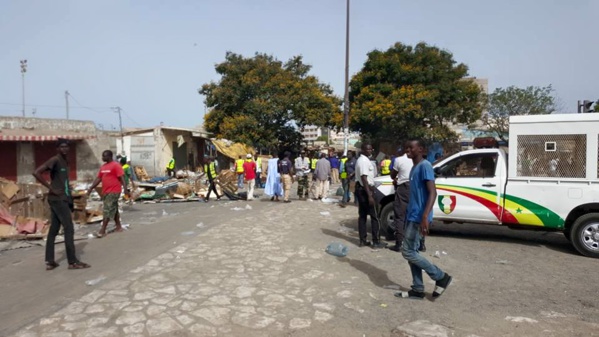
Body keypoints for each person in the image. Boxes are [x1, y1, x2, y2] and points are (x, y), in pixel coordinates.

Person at [397, 139, 451, 300]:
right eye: (406, 147)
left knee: (407, 251)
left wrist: (425, 216)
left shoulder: (425, 166)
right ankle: (418, 288)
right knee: (411, 252)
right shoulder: (414, 167)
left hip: (420, 217)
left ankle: (440, 276)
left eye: (411, 148)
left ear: (420, 149)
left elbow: (432, 193)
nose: (407, 150)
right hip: (412, 215)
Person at [32, 139, 90, 270]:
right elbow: (36, 172)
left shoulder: (65, 161)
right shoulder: (55, 160)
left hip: (62, 198)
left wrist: (69, 197)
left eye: (67, 147)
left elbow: (63, 181)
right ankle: (73, 262)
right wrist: (50, 188)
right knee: (69, 228)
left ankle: (50, 261)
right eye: (62, 147)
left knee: (54, 230)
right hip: (57, 198)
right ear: (57, 148)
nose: (65, 149)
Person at [86, 150, 128, 238]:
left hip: (114, 191)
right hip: (105, 191)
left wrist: (125, 189)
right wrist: (91, 188)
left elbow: (122, 177)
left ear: (109, 156)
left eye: (104, 156)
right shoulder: (103, 167)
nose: (102, 158)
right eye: (102, 156)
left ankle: (102, 230)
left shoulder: (116, 165)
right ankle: (118, 226)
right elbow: (98, 178)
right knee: (114, 207)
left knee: (107, 210)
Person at [387, 144, 419, 252]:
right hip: (415, 188)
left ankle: (399, 243)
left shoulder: (399, 160)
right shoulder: (417, 160)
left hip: (403, 188)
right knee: (413, 215)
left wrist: (397, 178)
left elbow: (392, 175)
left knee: (400, 216)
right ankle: (417, 243)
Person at [355, 143, 386, 248]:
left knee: (363, 216)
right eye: (367, 149)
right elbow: (364, 178)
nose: (370, 151)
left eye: (371, 149)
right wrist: (369, 195)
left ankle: (363, 240)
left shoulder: (363, 160)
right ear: (363, 150)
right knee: (375, 216)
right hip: (366, 190)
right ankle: (376, 241)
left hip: (362, 189)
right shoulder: (364, 161)